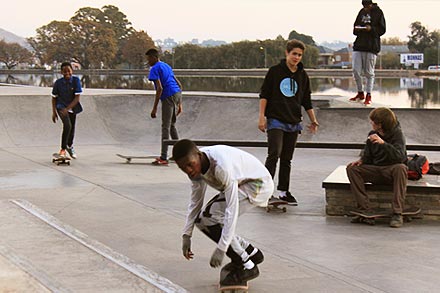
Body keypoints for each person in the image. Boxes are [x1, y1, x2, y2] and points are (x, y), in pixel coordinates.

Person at [173, 139, 274, 285]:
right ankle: (252, 253)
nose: (188, 170)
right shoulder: (196, 170)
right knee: (203, 220)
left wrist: (222, 248)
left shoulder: (221, 166)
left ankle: (247, 265)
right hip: (243, 185)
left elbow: (231, 210)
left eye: (190, 164)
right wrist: (186, 235)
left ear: (198, 155)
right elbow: (196, 202)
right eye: (183, 168)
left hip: (258, 185)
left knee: (210, 218)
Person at [258, 39, 319, 205]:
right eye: (294, 54)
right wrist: (261, 117)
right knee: (274, 154)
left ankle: (284, 192)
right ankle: (264, 191)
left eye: (299, 55)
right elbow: (264, 95)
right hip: (275, 119)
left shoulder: (302, 75)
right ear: (287, 53)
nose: (297, 57)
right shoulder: (275, 71)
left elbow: (306, 100)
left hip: (293, 121)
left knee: (287, 158)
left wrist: (313, 120)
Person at [346, 107, 407, 228]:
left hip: (391, 170)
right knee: (351, 169)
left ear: (380, 124)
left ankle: (397, 213)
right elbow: (368, 156)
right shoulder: (372, 134)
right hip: (376, 170)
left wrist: (383, 144)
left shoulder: (397, 134)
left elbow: (400, 156)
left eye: (373, 121)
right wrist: (361, 161)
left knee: (401, 168)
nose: (371, 123)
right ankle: (364, 208)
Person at [146, 48, 183, 165]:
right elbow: (179, 84)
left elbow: (160, 89)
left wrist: (155, 108)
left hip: (168, 96)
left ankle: (163, 157)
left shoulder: (154, 69)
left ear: (154, 58)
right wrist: (179, 103)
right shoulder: (166, 66)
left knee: (165, 127)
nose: (148, 62)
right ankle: (180, 155)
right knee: (171, 126)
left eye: (148, 59)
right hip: (176, 94)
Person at [349, 0, 386, 106]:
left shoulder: (379, 13)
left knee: (369, 72)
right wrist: (358, 29)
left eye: (367, 6)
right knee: (356, 70)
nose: (365, 8)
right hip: (359, 45)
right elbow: (355, 27)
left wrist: (371, 29)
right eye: (363, 6)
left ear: (371, 4)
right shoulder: (361, 12)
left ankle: (368, 95)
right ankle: (360, 93)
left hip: (371, 46)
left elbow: (382, 30)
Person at [51, 62, 83, 158]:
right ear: (61, 72)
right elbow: (54, 98)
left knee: (72, 128)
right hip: (61, 106)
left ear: (72, 71)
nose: (67, 74)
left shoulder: (76, 81)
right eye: (64, 72)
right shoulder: (58, 83)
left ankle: (70, 146)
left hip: (72, 107)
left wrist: (68, 109)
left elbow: (77, 98)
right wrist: (54, 112)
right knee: (67, 125)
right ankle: (63, 149)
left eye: (69, 71)